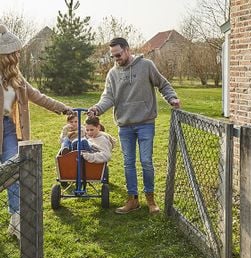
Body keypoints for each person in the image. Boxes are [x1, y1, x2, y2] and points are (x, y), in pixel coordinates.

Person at [87, 37, 180, 215]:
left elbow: (163, 84)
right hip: (125, 126)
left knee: (146, 162)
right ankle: (132, 200)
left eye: (119, 54)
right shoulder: (112, 74)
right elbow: (108, 97)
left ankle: (151, 199)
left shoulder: (146, 66)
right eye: (113, 56)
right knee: (128, 163)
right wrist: (97, 109)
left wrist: (172, 98)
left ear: (128, 50)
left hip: (145, 123)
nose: (116, 59)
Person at [0, 25, 73, 239]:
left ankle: (17, 220)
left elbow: (38, 96)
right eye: (17, 51)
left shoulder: (17, 78)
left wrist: (63, 108)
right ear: (7, 55)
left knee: (14, 172)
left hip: (9, 129)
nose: (20, 54)